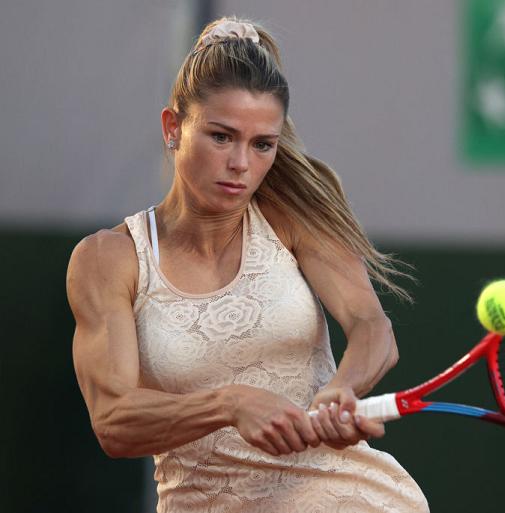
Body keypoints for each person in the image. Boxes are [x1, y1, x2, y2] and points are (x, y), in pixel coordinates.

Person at [66, 16, 429, 512]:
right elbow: (113, 419)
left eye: (262, 145)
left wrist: (342, 389)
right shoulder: (108, 259)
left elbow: (371, 326)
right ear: (173, 128)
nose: (241, 163)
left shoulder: (293, 216)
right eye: (221, 136)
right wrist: (229, 404)